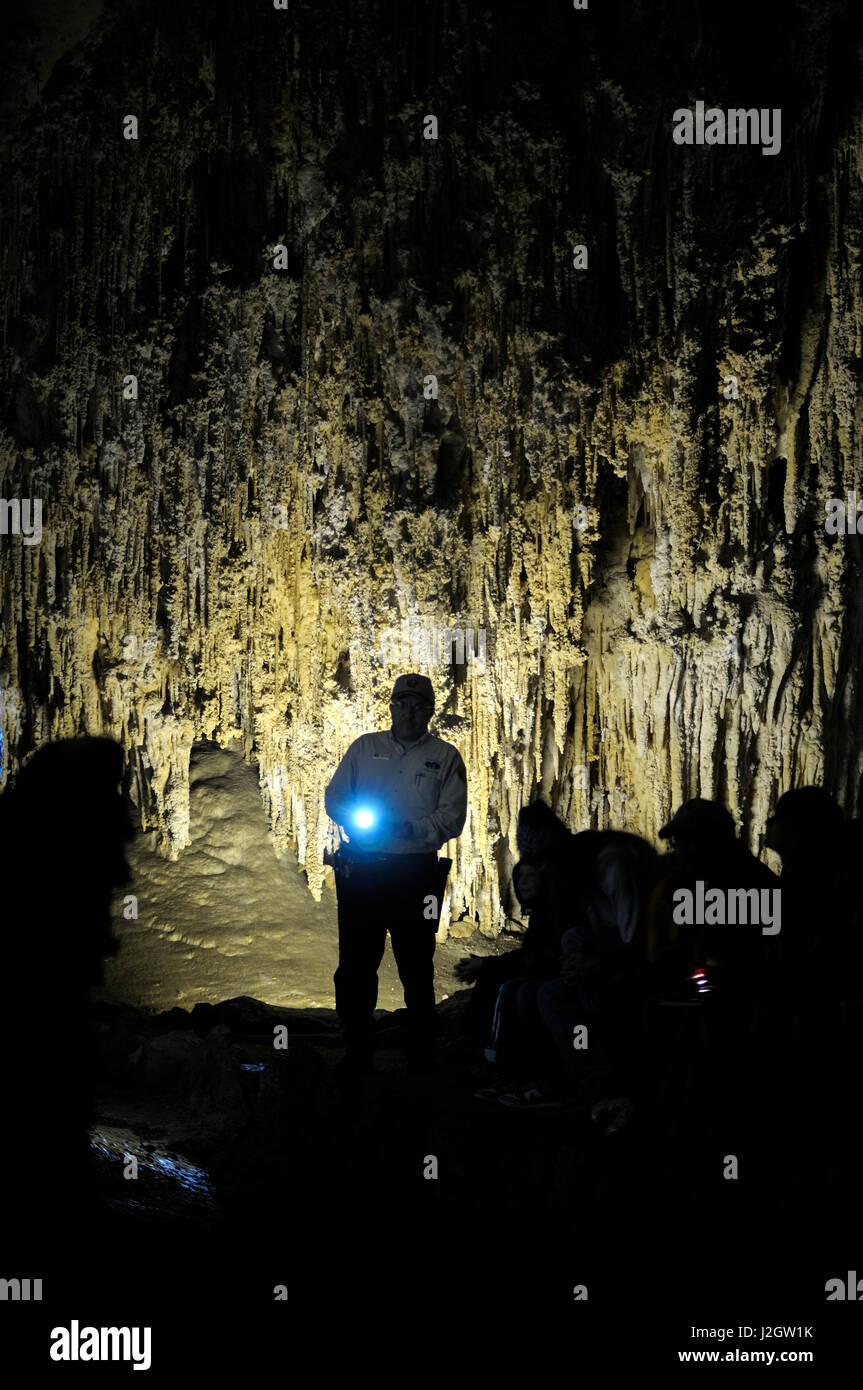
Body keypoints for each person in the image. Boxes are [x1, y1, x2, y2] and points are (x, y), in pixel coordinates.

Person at [324, 674, 467, 1076]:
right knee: (355, 963)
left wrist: (408, 830)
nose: (409, 712)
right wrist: (357, 820)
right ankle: (357, 1048)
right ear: (391, 707)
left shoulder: (446, 756)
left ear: (429, 711)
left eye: (418, 705)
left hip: (417, 875)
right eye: (402, 704)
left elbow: (451, 818)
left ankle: (421, 1054)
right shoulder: (365, 748)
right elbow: (335, 796)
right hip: (363, 871)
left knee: (417, 961)